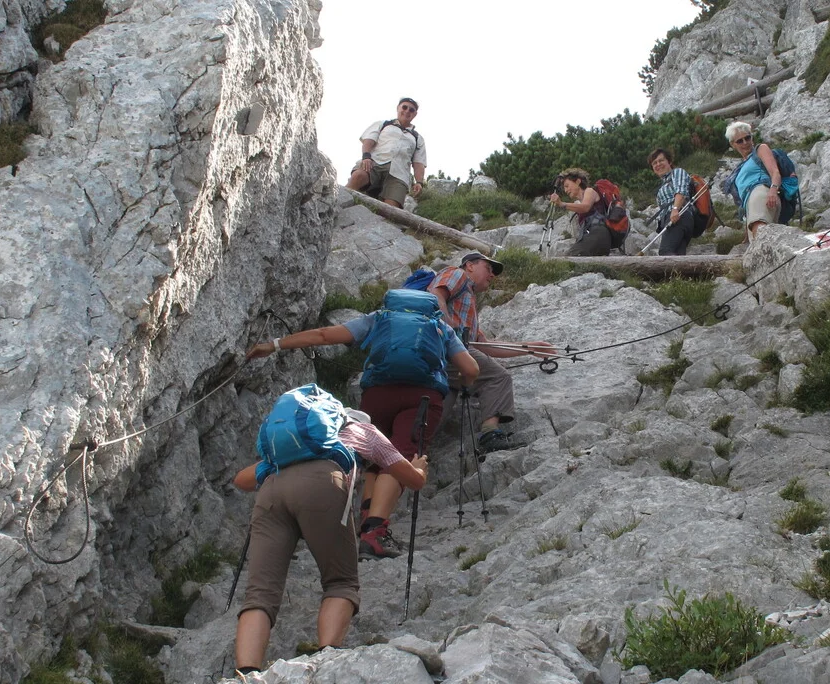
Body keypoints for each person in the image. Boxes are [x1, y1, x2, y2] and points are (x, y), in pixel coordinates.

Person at [246, 295, 479, 560]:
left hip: (377, 394)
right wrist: (462, 382)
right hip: (423, 398)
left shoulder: (378, 318)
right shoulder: (440, 327)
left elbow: (323, 335)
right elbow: (471, 368)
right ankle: (374, 533)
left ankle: (366, 523)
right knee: (400, 457)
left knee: (372, 456)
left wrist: (273, 345)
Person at [231, 409, 428, 675]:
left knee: (260, 594)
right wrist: (419, 469)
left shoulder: (296, 445)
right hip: (324, 484)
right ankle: (323, 664)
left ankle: (246, 674)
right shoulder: (364, 431)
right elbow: (411, 479)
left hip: (272, 493)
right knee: (340, 582)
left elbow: (241, 480)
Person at [427, 252, 560, 453]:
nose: (492, 275)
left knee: (440, 410)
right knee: (498, 376)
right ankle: (489, 434)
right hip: (445, 346)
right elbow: (434, 294)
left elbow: (484, 346)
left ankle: (409, 448)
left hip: (444, 357)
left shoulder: (468, 303)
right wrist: (449, 327)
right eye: (488, 268)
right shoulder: (457, 274)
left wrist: (530, 348)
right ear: (470, 265)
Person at [345, 97, 427, 208]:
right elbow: (368, 140)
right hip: (376, 162)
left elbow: (419, 162)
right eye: (404, 107)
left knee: (391, 209)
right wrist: (366, 157)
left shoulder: (417, 138)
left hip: (399, 174)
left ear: (415, 114)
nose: (407, 111)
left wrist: (419, 182)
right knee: (358, 176)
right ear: (398, 108)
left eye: (411, 110)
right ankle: (340, 202)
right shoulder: (383, 124)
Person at [725, 121, 782, 241]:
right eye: (740, 141)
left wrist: (773, 190)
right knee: (757, 238)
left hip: (761, 192)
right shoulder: (741, 166)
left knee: (760, 231)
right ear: (732, 144)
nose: (745, 142)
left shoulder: (761, 149)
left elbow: (775, 172)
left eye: (747, 138)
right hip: (750, 203)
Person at [548, 168, 612, 256]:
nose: (566, 190)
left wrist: (562, 204)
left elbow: (585, 207)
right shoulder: (578, 203)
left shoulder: (589, 191)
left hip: (599, 233)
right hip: (594, 237)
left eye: (567, 186)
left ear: (578, 181)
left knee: (570, 257)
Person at [648, 148, 695, 255]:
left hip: (680, 216)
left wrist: (675, 209)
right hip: (673, 219)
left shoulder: (677, 172)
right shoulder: (662, 185)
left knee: (665, 251)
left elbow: (681, 191)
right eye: (654, 163)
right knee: (678, 254)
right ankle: (681, 272)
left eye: (661, 160)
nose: (658, 164)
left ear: (669, 161)